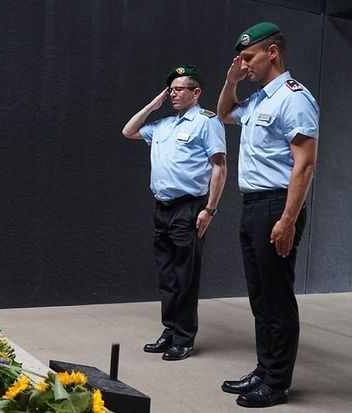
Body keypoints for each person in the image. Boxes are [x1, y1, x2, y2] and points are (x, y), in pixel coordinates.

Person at [217, 22, 319, 408]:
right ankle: (264, 369)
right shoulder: (259, 100)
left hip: (277, 205)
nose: (244, 65)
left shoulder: (294, 98)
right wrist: (230, 81)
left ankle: (277, 383)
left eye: (248, 57)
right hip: (253, 206)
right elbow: (225, 112)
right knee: (260, 299)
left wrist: (288, 219)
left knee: (277, 299)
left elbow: (305, 165)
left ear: (271, 53)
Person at [123, 65, 227, 361]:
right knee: (167, 277)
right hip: (163, 209)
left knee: (186, 276)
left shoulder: (207, 122)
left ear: (196, 92)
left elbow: (220, 167)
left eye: (179, 89)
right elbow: (128, 131)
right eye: (171, 89)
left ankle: (184, 338)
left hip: (189, 209)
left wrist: (210, 209)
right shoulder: (164, 125)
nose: (173, 94)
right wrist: (154, 105)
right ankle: (169, 331)